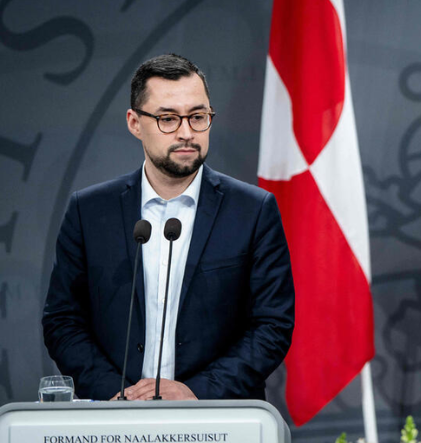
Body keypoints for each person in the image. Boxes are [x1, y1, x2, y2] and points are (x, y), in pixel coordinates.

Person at [42, 54, 294, 401]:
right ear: (135, 123)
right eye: (168, 119)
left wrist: (195, 392)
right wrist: (118, 394)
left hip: (218, 417)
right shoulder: (89, 212)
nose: (186, 133)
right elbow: (63, 321)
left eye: (198, 117)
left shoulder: (253, 210)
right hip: (114, 417)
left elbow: (272, 325)